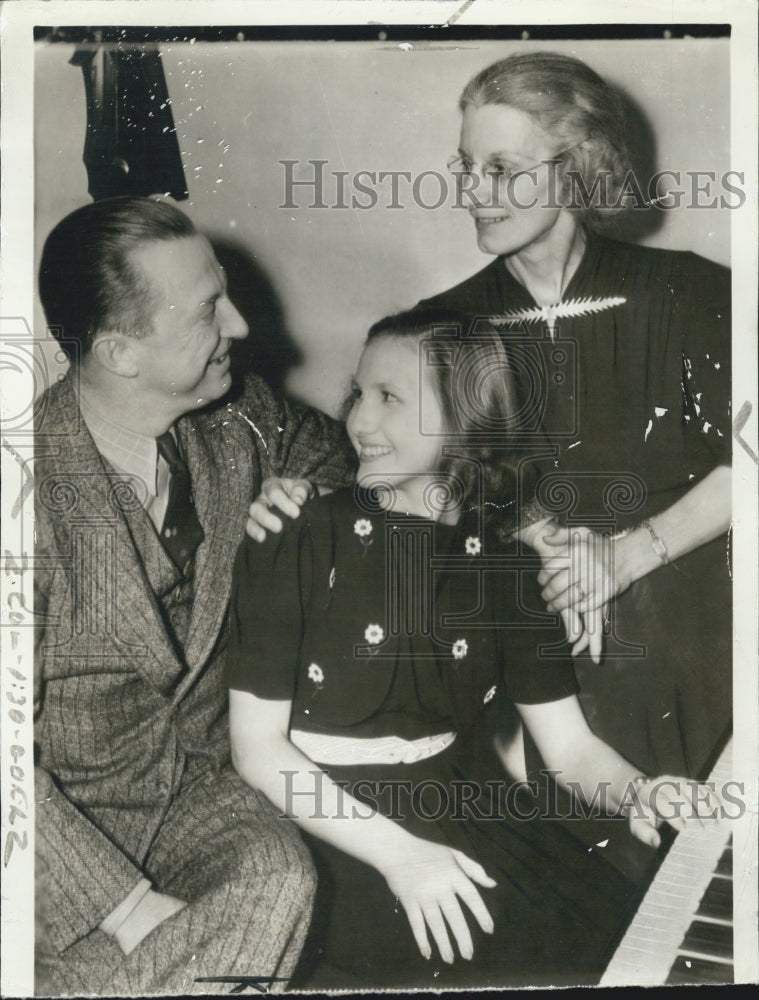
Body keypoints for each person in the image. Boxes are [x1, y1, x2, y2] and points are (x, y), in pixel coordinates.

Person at [226, 309, 719, 991]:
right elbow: (256, 750)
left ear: (467, 420)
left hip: (460, 808)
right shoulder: (293, 536)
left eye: (390, 398)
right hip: (321, 831)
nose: (359, 422)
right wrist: (402, 858)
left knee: (621, 949)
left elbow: (572, 753)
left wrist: (638, 790)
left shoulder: (509, 569)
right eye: (357, 394)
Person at [33, 196, 356, 995]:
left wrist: (302, 508)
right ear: (121, 351)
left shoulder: (238, 415)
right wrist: (127, 908)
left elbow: (335, 459)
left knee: (279, 876)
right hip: (63, 824)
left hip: (200, 793)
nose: (242, 328)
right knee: (100, 969)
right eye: (211, 311)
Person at [415, 51, 731, 786]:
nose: (473, 191)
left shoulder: (689, 292)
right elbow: (458, 490)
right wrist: (555, 554)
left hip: (705, 618)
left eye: (502, 168)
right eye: (465, 165)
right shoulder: (441, 330)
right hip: (554, 641)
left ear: (576, 165)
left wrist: (627, 555)